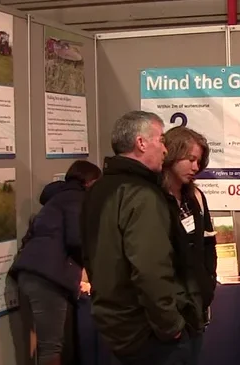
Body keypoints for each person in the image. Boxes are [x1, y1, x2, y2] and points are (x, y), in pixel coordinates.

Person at [81, 111, 193, 365]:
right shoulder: (142, 195)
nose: (166, 150)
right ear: (141, 143)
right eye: (161, 140)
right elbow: (150, 269)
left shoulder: (97, 189)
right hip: (147, 332)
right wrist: (170, 324)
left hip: (113, 325)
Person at [9, 160, 101, 365]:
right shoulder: (77, 199)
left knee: (42, 343)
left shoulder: (56, 198)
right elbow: (77, 240)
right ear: (90, 182)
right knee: (51, 346)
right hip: (47, 279)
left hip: (29, 274)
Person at [161, 126, 218, 364]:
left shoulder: (196, 196)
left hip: (196, 305)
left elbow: (208, 245)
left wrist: (208, 283)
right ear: (172, 155)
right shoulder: (152, 197)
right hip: (168, 308)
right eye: (190, 159)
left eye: (199, 161)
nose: (196, 167)